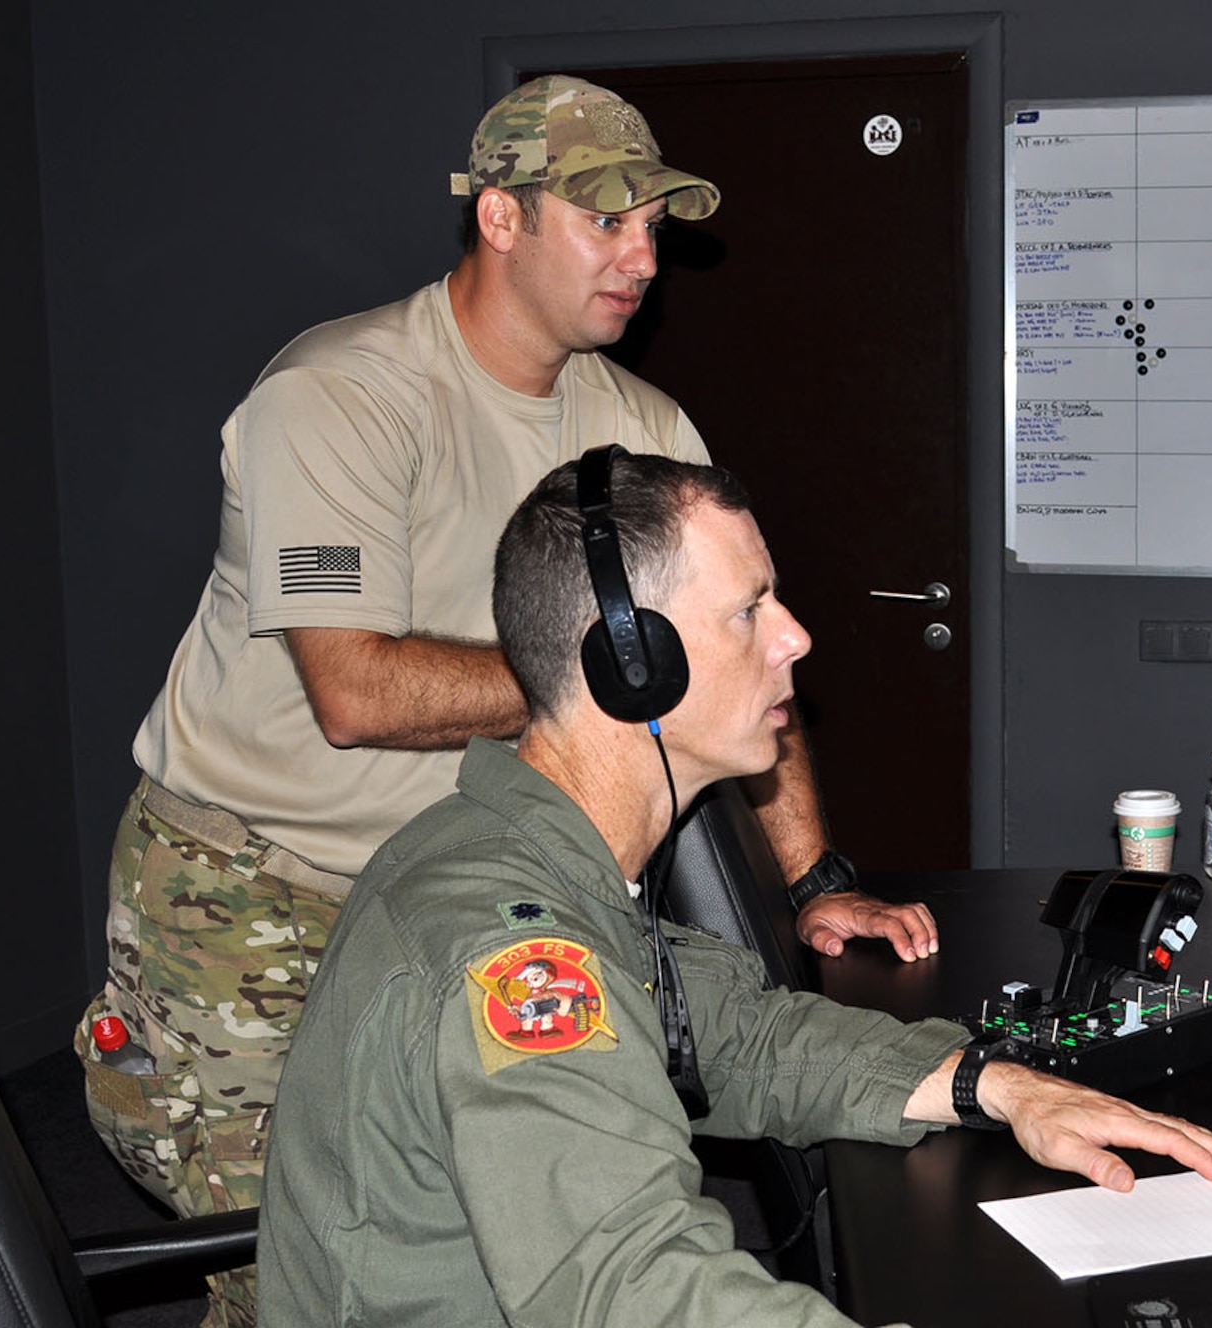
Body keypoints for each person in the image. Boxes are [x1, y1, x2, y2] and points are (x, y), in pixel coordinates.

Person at [79, 76, 934, 1328]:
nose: (644, 258)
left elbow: (740, 642)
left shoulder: (637, 424)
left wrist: (811, 879)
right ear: (500, 217)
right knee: (301, 1263)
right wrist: (617, 663)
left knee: (503, 1237)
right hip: (257, 897)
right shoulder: (339, 397)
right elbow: (353, 687)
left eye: (657, 227)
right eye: (607, 221)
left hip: (466, 888)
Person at [256, 450, 1212, 1325]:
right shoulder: (513, 949)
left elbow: (730, 1037)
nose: (795, 636)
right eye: (749, 609)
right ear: (630, 666)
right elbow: (629, 1289)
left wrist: (991, 1080)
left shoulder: (534, 857)